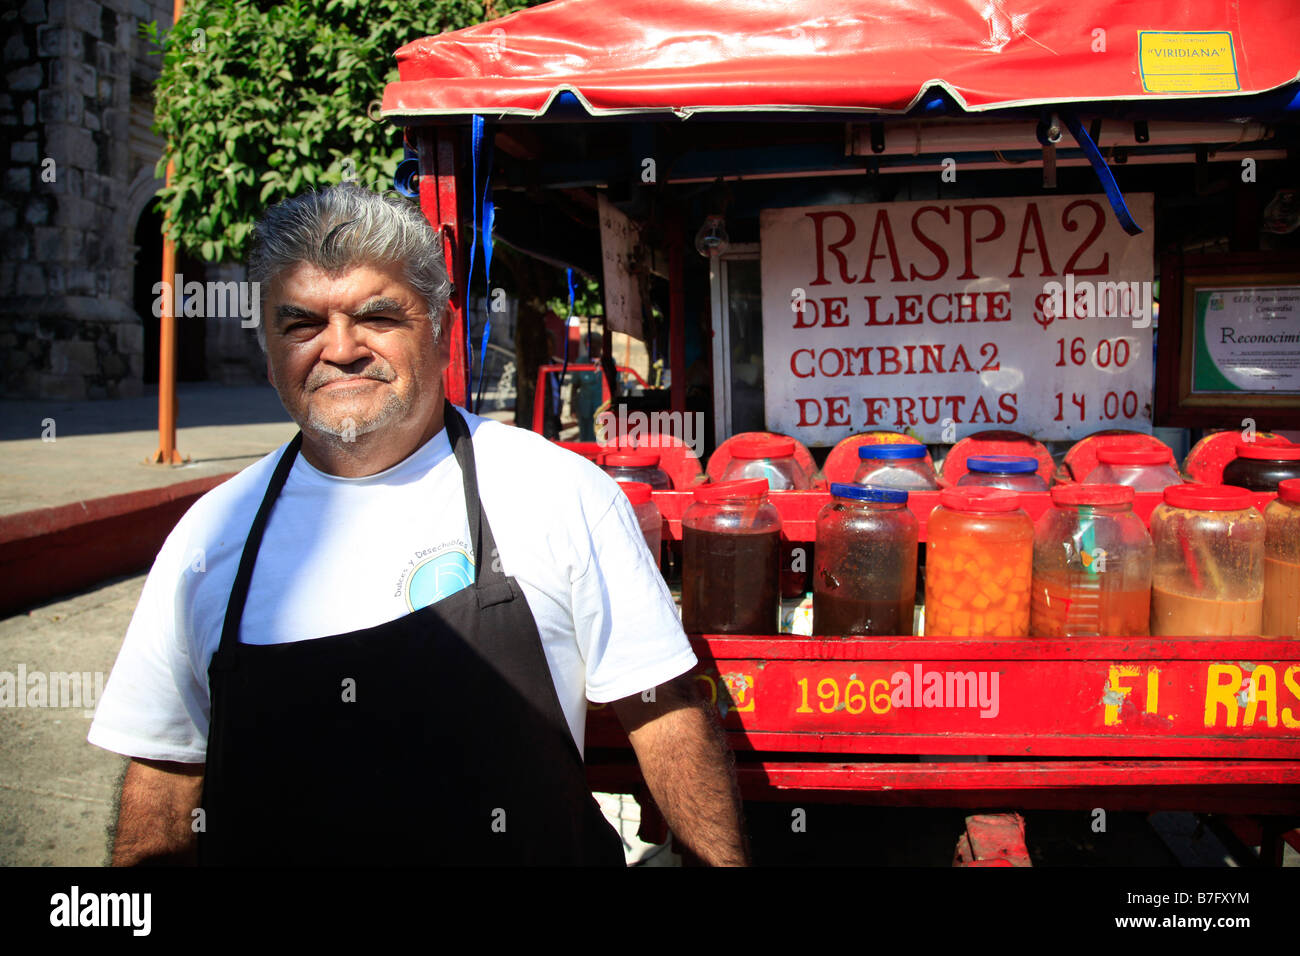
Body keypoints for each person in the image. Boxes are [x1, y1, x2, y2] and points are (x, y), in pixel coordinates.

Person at [88, 184, 748, 866]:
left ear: (440, 328)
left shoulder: (558, 493)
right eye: (302, 325)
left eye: (377, 316)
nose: (340, 349)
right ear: (269, 350)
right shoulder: (209, 537)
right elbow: (165, 772)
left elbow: (664, 713)